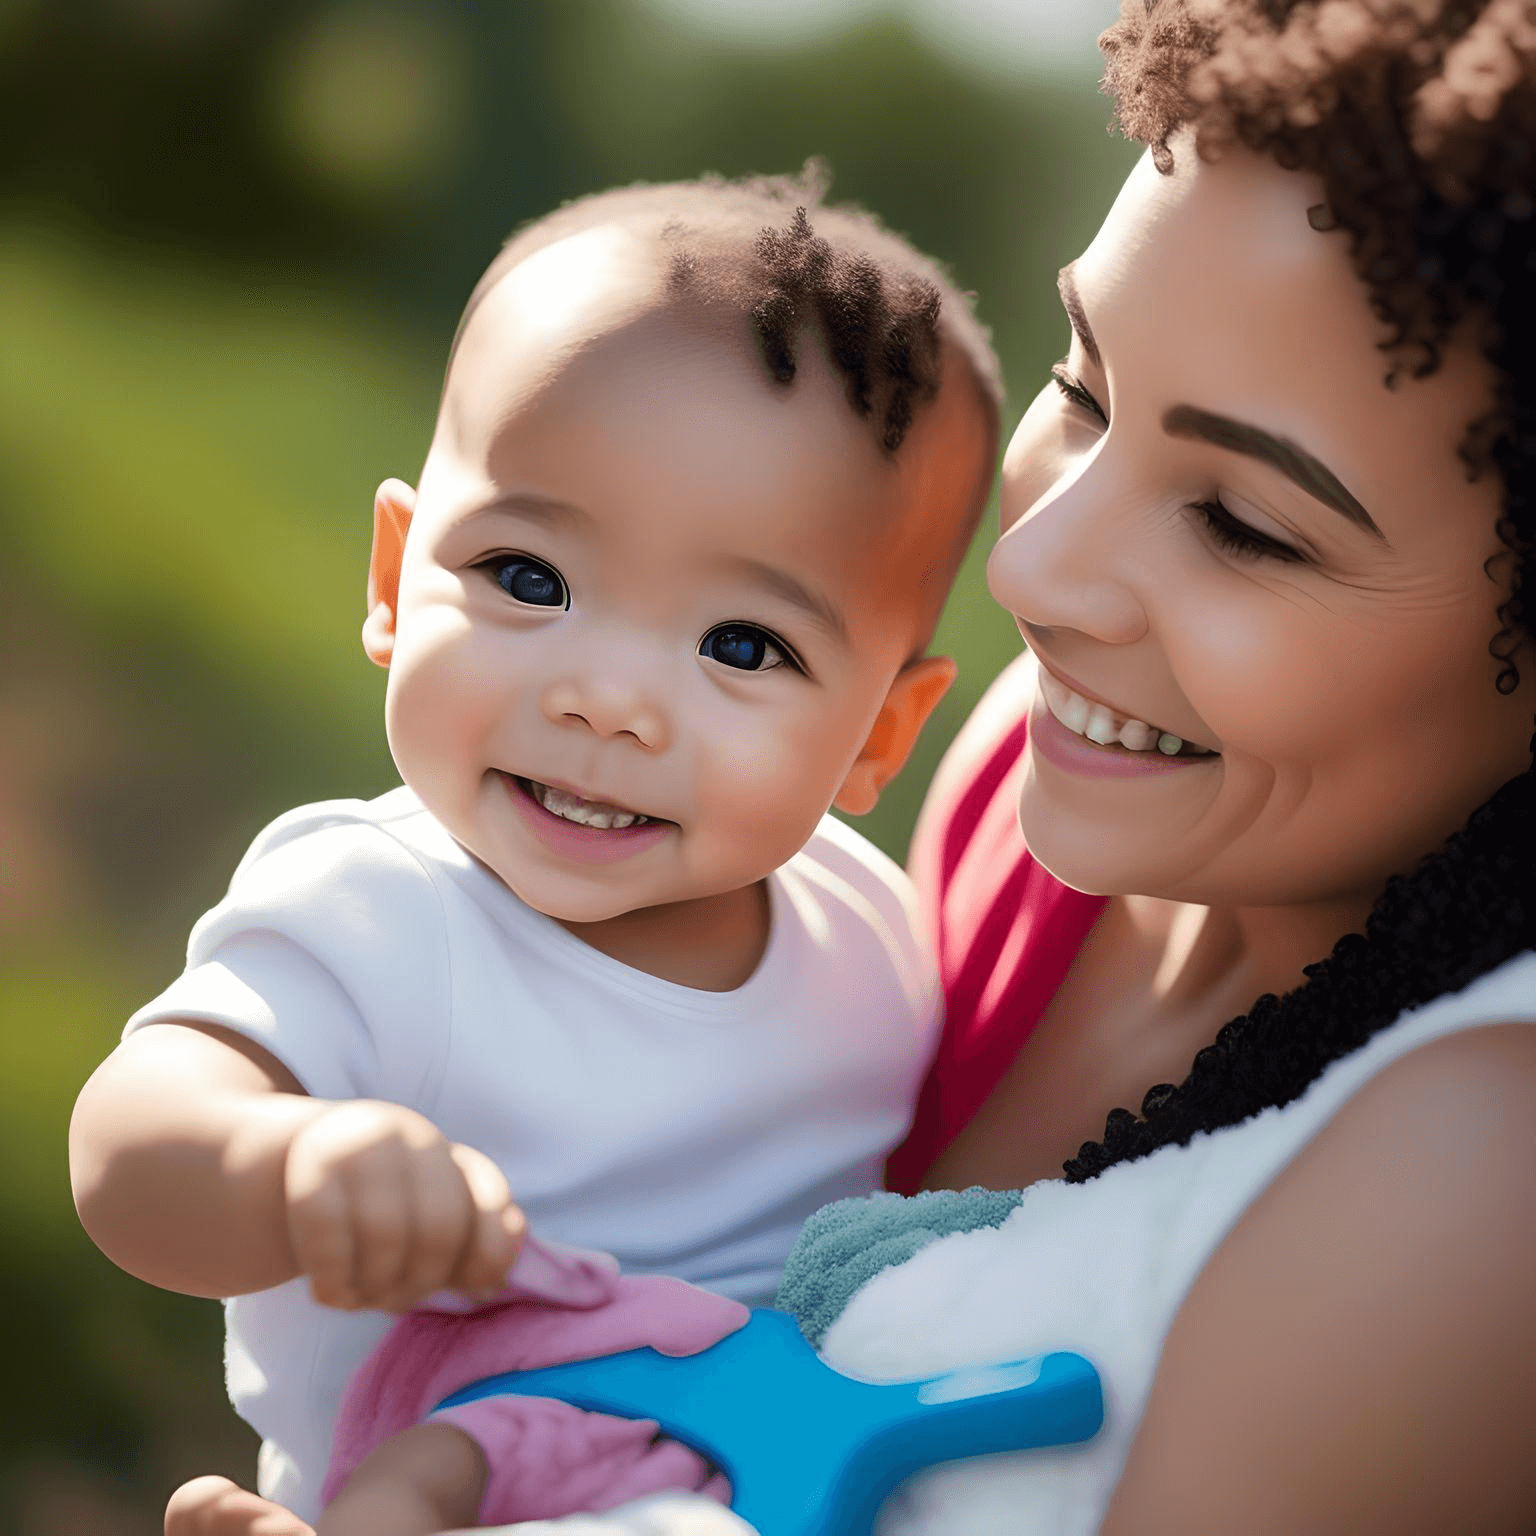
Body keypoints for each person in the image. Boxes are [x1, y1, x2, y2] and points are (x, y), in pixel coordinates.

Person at [406, 1, 1536, 1531]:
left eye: (1246, 525)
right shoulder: (1029, 787)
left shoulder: (1481, 1186)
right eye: (1083, 391)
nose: (1031, 569)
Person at [67, 169, 1003, 1533]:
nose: (603, 700)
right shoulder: (380, 912)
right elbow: (129, 1154)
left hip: (756, 1464)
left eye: (742, 645)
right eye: (528, 578)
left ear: (880, 735)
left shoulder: (873, 939)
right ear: (394, 582)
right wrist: (287, 1163)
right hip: (443, 1466)